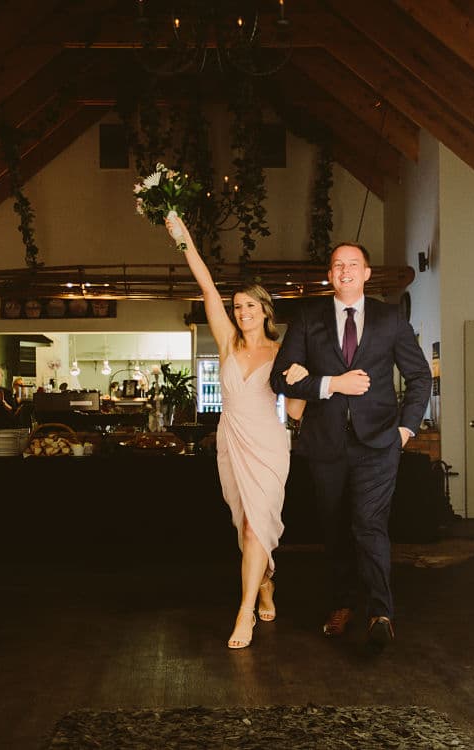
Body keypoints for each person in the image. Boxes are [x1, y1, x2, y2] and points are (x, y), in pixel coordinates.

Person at [270, 242, 432, 652]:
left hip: (379, 443)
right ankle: (341, 605)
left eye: (353, 265)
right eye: (338, 265)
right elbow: (280, 379)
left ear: (367, 273)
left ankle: (381, 612)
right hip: (325, 444)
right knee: (335, 529)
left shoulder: (390, 318)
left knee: (368, 524)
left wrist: (406, 430)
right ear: (330, 273)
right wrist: (330, 384)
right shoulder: (307, 318)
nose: (345, 271)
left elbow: (419, 377)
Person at [166, 214, 307, 650]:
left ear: (266, 310)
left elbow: (298, 411)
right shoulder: (228, 342)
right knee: (244, 523)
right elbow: (206, 285)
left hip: (269, 443)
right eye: (237, 306)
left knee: (255, 529)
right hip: (232, 441)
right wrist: (182, 235)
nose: (241, 312)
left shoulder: (283, 351)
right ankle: (265, 581)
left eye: (250, 306)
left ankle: (243, 612)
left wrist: (301, 378)